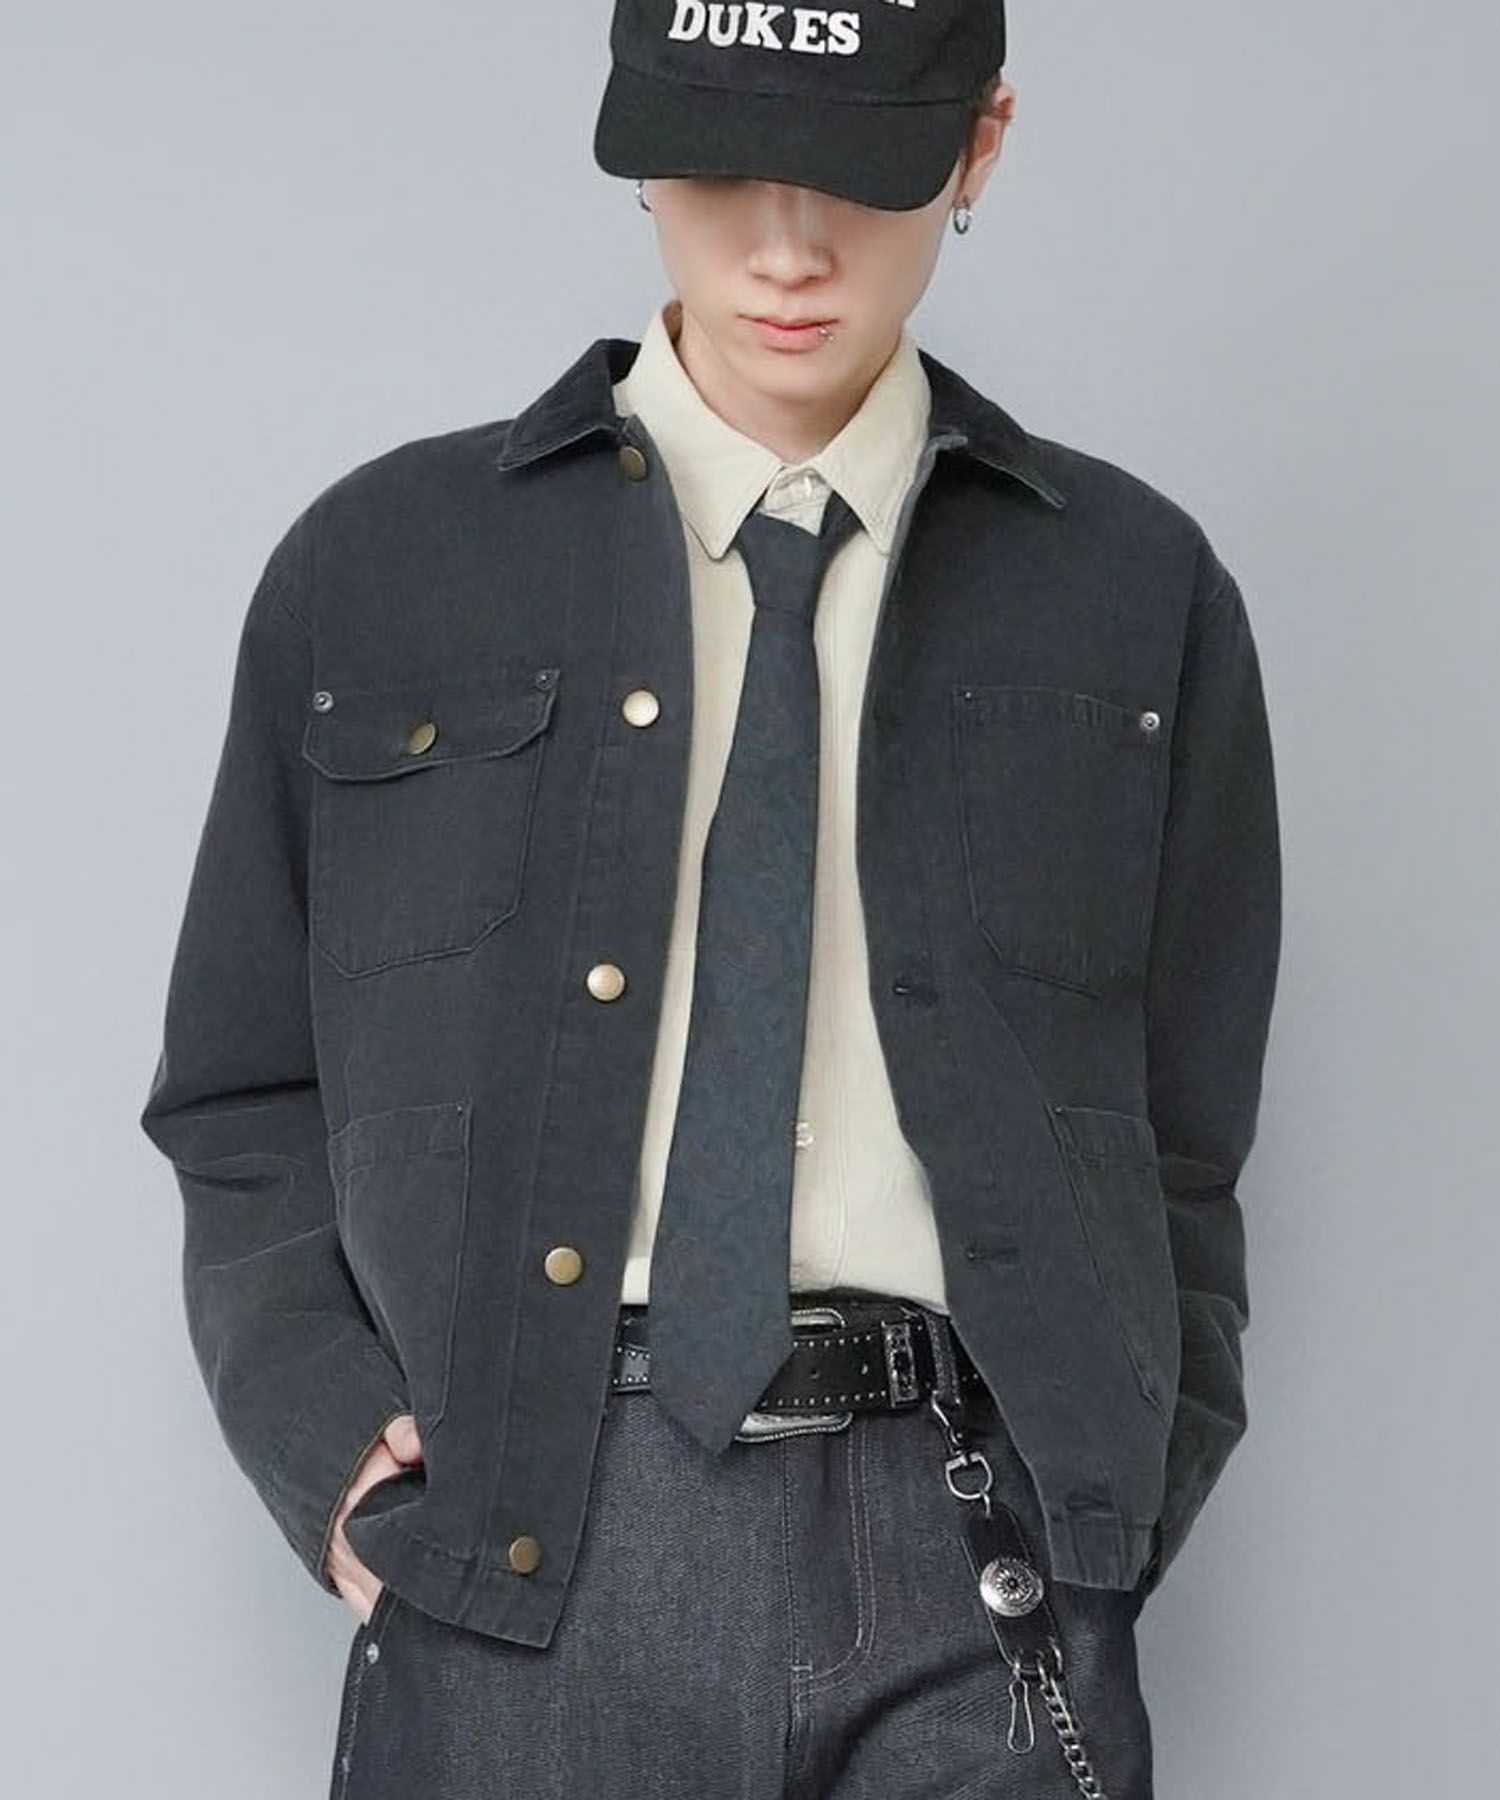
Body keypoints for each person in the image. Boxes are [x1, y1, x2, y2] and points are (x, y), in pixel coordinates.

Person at [139, 3, 1281, 1795]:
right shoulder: (383, 570)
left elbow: (1184, 1130)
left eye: (857, 174)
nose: (788, 250)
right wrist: (321, 1437)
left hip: (978, 1548)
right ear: (639, 145)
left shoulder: (1135, 593)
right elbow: (240, 1086)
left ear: (977, 146)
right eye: (726, 170)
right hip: (529, 1532)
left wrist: (1122, 1477)